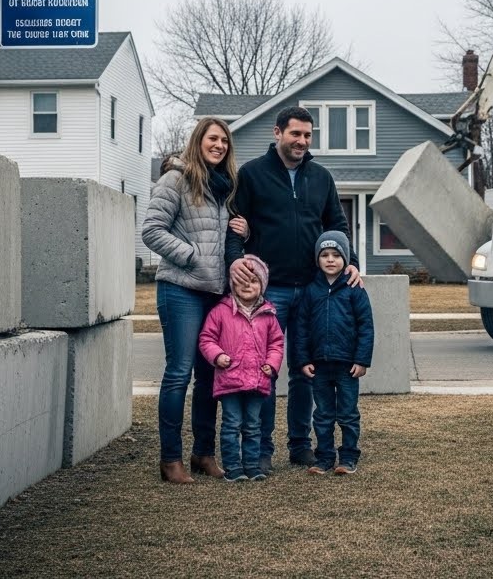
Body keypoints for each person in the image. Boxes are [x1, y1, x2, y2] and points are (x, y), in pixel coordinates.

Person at [226, 105, 362, 473]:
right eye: (295, 134)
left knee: (305, 371)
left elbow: (337, 224)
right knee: (264, 370)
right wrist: (235, 263)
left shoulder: (320, 177)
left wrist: (351, 263)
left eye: (307, 135)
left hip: (314, 291)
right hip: (269, 292)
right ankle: (262, 448)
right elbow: (235, 226)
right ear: (277, 133)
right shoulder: (252, 174)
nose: (302, 141)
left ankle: (300, 447)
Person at [142, 117, 248, 484]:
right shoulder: (176, 179)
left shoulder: (226, 188)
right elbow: (151, 231)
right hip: (181, 289)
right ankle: (170, 460)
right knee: (179, 373)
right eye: (212, 139)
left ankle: (204, 453)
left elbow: (226, 239)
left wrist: (244, 232)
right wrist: (190, 255)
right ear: (198, 141)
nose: (219, 145)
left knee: (210, 376)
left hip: (215, 294)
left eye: (224, 141)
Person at [292, 231, 374, 475]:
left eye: (336, 255)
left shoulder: (354, 288)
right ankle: (324, 458)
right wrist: (304, 359)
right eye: (325, 255)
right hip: (319, 366)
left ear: (346, 259)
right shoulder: (310, 291)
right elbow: (301, 328)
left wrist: (361, 360)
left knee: (348, 414)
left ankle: (348, 458)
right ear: (317, 259)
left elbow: (366, 326)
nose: (330, 260)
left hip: (347, 365)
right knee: (323, 414)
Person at [198, 254, 284, 482]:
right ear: (232, 283)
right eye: (242, 280)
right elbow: (206, 338)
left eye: (254, 281)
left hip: (258, 381)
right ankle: (233, 467)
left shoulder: (268, 315)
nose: (248, 285)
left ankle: (252, 466)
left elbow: (276, 343)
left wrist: (272, 364)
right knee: (231, 424)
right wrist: (217, 356)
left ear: (262, 286)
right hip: (230, 380)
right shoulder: (220, 311)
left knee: (253, 425)